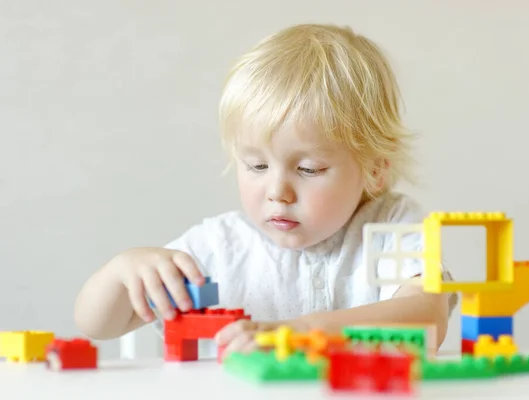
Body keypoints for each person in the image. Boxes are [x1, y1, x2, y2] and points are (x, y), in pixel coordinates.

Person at [74, 23, 457, 355]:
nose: (278, 191)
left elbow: (426, 318)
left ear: (374, 171)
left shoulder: (391, 226)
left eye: (309, 169)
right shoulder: (220, 247)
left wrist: (303, 332)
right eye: (257, 165)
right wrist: (122, 270)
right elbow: (97, 325)